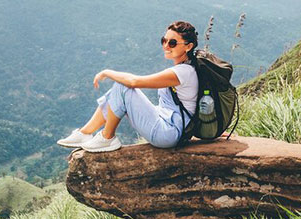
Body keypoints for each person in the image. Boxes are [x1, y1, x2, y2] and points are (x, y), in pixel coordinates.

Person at [57, 21, 199, 152]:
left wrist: (107, 72)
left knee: (122, 86)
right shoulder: (188, 68)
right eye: (164, 40)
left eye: (172, 43)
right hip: (169, 124)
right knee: (116, 93)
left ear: (188, 46)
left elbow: (133, 82)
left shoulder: (182, 73)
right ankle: (85, 133)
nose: (166, 46)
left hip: (168, 133)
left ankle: (107, 138)